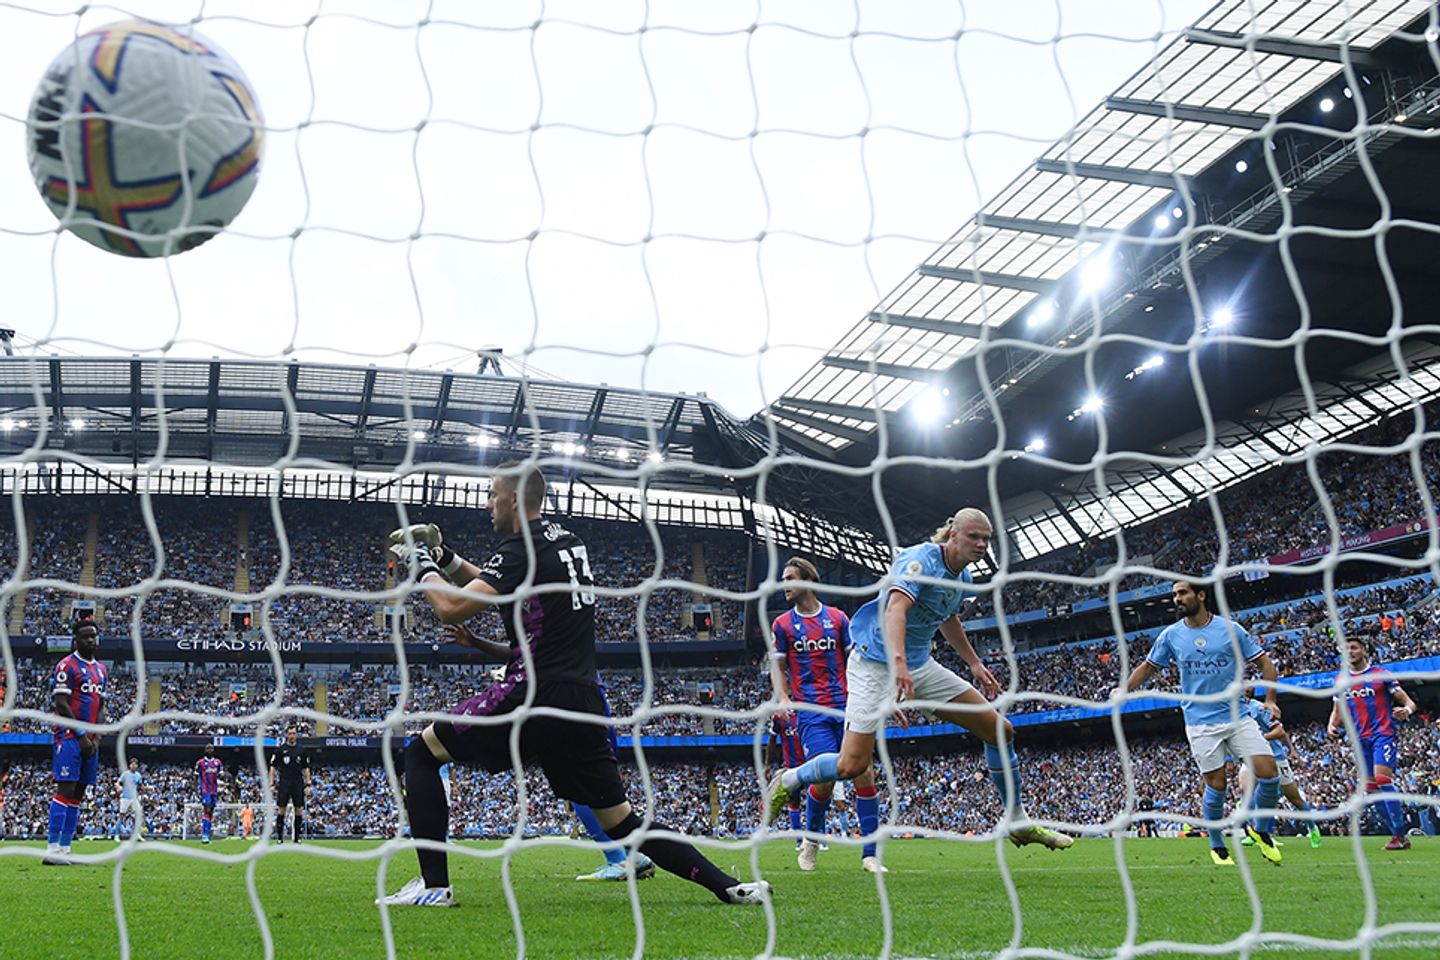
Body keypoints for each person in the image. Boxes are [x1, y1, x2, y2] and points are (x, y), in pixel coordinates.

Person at [378, 462, 768, 907]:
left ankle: (434, 888)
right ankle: (729, 887)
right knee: (622, 821)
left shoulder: (521, 547)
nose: (487, 504)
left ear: (512, 498)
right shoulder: (565, 541)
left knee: (420, 753)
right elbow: (497, 583)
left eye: (491, 495)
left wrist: (422, 564)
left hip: (533, 694)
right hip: (582, 701)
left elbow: (450, 607)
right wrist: (446, 557)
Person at [765, 508, 1072, 852]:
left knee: (999, 730)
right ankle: (788, 779)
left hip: (919, 665)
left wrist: (973, 663)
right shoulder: (919, 561)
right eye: (974, 536)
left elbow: (948, 617)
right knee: (851, 765)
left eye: (986, 539)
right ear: (953, 535)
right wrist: (898, 663)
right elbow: (896, 609)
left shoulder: (963, 577)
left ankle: (1017, 821)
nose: (981, 544)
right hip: (874, 664)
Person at [1123, 580, 1284, 866]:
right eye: (1174, 594)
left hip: (1238, 717)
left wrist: (1270, 700)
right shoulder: (1171, 635)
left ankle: (1261, 830)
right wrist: (1123, 690)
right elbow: (1148, 667)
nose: (1177, 598)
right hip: (1200, 723)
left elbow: (1266, 664)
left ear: (1200, 595)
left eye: (1182, 593)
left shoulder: (1231, 630)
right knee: (1217, 786)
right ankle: (1217, 845)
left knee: (1270, 774)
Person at [769, 556, 883, 873]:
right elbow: (777, 665)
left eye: (789, 578)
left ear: (807, 580)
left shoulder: (837, 618)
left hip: (848, 705)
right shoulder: (782, 624)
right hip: (810, 711)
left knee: (864, 772)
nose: (784, 584)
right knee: (826, 779)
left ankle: (870, 855)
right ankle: (811, 842)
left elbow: (856, 661)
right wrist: (782, 696)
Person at [1327, 635, 1419, 850]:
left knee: (1382, 779)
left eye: (1354, 647)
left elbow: (1409, 702)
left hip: (1382, 734)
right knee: (1370, 788)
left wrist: (1406, 710)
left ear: (1364, 651)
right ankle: (1398, 836)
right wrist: (1331, 725)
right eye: (1346, 648)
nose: (1350, 652)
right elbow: (1337, 710)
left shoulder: (1381, 675)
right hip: (1359, 739)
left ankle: (1399, 835)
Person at [46, 617, 108, 865]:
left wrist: (97, 736)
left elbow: (101, 706)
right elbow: (61, 703)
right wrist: (82, 735)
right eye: (85, 637)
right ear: (76, 641)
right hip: (70, 736)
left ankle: (65, 849)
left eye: (93, 636)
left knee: (79, 793)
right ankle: (51, 850)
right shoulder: (66, 666)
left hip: (90, 741)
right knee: (66, 788)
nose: (90, 640)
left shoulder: (101, 670)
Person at [1234, 696, 1324, 849]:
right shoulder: (1233, 711)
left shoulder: (1260, 708)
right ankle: (1256, 833)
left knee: (1294, 798)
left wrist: (1290, 749)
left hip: (1275, 758)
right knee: (1245, 790)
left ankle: (1312, 828)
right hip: (1254, 757)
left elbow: (1280, 731)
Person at [269, 726, 311, 844]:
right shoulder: (280, 750)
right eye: (290, 733)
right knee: (281, 810)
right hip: (284, 782)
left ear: (296, 735)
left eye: (294, 733)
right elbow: (273, 767)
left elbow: (306, 768)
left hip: (298, 782)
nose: (292, 736)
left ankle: (297, 838)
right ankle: (280, 838)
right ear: (286, 735)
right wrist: (271, 784)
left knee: (298, 810)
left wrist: (308, 784)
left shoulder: (302, 750)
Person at [195, 745, 224, 844]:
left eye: (211, 749)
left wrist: (222, 777)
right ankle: (204, 835)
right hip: (205, 790)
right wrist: (196, 790)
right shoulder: (200, 763)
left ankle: (207, 834)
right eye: (208, 749)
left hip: (214, 790)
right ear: (205, 750)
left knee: (210, 812)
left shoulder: (218, 762)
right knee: (207, 809)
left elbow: (221, 774)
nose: (210, 750)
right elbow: (196, 776)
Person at [115, 757, 144, 840]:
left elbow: (141, 786)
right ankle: (116, 835)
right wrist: (119, 787)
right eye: (132, 764)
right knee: (121, 816)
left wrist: (147, 788)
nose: (134, 766)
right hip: (125, 798)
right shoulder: (125, 774)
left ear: (137, 766)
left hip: (134, 798)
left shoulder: (138, 775)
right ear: (130, 765)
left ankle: (137, 834)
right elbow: (117, 783)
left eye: (135, 764)